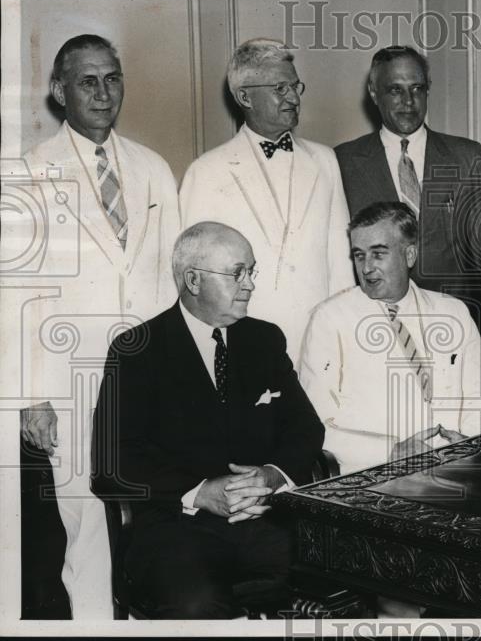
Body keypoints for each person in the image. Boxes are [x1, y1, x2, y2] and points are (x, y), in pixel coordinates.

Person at [12, 34, 180, 618]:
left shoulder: (152, 167)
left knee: (156, 503)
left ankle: (144, 618)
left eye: (112, 78)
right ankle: (92, 625)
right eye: (88, 81)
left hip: (147, 371)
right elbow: (17, 294)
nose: (104, 92)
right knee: (82, 515)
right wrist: (32, 395)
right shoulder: (29, 173)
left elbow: (172, 274)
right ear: (60, 92)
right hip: (70, 373)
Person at [91, 222, 324, 619]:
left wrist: (271, 475)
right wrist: (198, 492)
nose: (249, 284)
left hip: (265, 519)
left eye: (251, 271)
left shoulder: (264, 340)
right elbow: (113, 460)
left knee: (348, 572)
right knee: (197, 604)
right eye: (237, 273)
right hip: (176, 529)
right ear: (193, 280)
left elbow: (306, 427)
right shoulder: (137, 350)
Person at [299, 202, 481, 475]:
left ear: (409, 255)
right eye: (359, 256)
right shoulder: (329, 319)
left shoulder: (452, 312)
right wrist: (391, 451)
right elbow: (313, 423)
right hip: (374, 475)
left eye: (378, 254)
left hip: (459, 471)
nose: (367, 268)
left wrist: (469, 446)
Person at [179, 39, 353, 358]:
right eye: (279, 87)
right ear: (244, 96)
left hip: (319, 342)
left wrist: (341, 336)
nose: (293, 97)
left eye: (295, 86)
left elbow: (340, 260)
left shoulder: (325, 160)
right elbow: (196, 279)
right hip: (244, 345)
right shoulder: (205, 172)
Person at [335, 46, 481, 333]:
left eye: (417, 88)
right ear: (374, 92)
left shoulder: (467, 156)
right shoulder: (344, 162)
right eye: (395, 90)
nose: (408, 101)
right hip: (375, 325)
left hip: (456, 323)